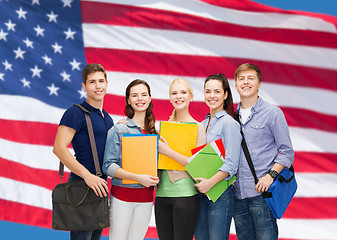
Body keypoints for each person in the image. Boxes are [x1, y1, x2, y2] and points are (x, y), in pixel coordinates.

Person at [233, 63, 294, 240]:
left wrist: (270, 176)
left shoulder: (273, 113)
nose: (246, 82)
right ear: (236, 84)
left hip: (262, 194)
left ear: (259, 84)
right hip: (238, 195)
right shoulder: (230, 116)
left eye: (250, 78)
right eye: (241, 79)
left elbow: (287, 152)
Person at [53, 63, 114, 240]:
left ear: (107, 84)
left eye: (101, 81)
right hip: (82, 186)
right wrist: (88, 176)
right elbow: (59, 148)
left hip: (101, 188)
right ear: (84, 86)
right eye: (92, 82)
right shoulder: (75, 113)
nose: (98, 86)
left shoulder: (108, 119)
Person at [102, 79, 159, 240]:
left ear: (149, 98)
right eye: (134, 95)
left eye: (143, 95)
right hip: (122, 198)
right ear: (128, 100)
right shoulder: (119, 129)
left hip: (146, 199)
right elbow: (108, 166)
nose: (139, 99)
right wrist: (137, 178)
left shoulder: (157, 132)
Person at [155, 78, 206, 240]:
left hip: (186, 195)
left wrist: (167, 151)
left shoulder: (198, 127)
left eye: (183, 92)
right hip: (161, 195)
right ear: (169, 97)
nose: (179, 96)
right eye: (174, 93)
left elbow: (197, 165)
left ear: (191, 96)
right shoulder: (161, 128)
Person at [193, 73, 242, 240]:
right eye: (207, 91)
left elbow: (231, 164)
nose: (211, 96)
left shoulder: (230, 124)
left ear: (225, 94)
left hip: (221, 194)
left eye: (216, 91)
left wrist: (210, 183)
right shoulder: (202, 124)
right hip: (200, 193)